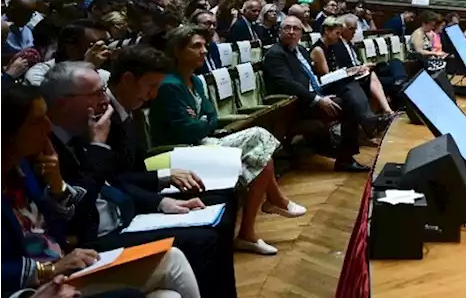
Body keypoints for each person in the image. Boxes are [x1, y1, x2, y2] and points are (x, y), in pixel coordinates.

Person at [40, 63, 233, 296]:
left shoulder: (84, 130)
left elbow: (114, 182)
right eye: (97, 93)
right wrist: (98, 147)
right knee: (202, 241)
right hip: (93, 239)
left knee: (217, 216)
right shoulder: (46, 148)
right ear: (63, 103)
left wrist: (160, 203)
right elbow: (77, 210)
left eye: (104, 91)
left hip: (124, 215)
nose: (105, 100)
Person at [0, 82, 199, 297]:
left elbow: (59, 227)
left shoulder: (24, 167)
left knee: (167, 296)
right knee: (173, 261)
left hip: (64, 263)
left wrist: (57, 185)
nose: (48, 126)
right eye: (37, 121)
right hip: (34, 284)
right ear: (7, 133)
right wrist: (48, 269)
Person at [149, 25, 304, 255]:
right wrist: (203, 122)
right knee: (259, 139)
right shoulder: (170, 86)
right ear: (177, 51)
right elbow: (186, 131)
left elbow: (212, 116)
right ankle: (270, 205)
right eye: (196, 46)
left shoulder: (197, 81)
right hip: (178, 154)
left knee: (264, 160)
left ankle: (250, 231)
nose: (204, 51)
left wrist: (202, 121)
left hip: (203, 143)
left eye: (204, 45)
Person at [262, 15, 370, 173]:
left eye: (296, 29)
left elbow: (312, 77)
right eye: (287, 28)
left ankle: (352, 139)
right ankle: (345, 159)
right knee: (350, 106)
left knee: (349, 91)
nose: (291, 32)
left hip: (313, 95)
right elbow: (287, 84)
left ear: (301, 33)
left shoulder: (301, 51)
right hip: (295, 105)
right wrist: (318, 100)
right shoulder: (276, 54)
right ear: (280, 31)